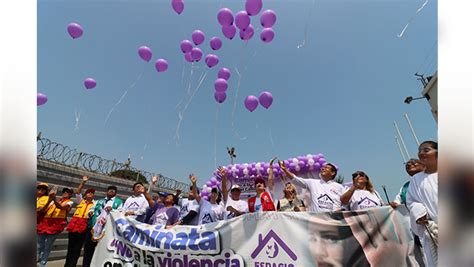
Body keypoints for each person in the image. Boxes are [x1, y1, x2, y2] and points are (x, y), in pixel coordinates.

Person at [406, 141, 438, 267]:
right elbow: (412, 201)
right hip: (433, 229)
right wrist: (419, 213)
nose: (421, 153)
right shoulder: (416, 179)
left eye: (426, 150)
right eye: (419, 151)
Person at [389, 159, 426, 267]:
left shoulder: (433, 178)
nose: (410, 165)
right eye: (407, 166)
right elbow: (397, 201)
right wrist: (393, 203)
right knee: (424, 252)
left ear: (423, 166)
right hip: (417, 226)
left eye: (414, 163)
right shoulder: (405, 187)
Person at [279, 161, 345, 212]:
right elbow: (295, 179)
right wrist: (285, 170)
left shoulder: (339, 187)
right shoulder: (313, 182)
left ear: (333, 173)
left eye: (326, 168)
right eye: (323, 168)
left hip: (333, 221)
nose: (323, 169)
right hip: (316, 221)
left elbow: (346, 203)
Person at [82, 185, 123, 267]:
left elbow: (120, 213)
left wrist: (112, 210)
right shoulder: (99, 201)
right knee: (88, 249)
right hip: (94, 227)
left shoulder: (118, 202)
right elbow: (92, 209)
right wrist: (90, 212)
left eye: (113, 190)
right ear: (106, 191)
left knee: (101, 250)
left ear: (116, 193)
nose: (111, 191)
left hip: (106, 230)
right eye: (110, 190)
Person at [37, 187, 74, 267]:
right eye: (64, 191)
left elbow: (61, 207)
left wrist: (53, 199)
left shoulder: (70, 202)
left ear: (71, 195)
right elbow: (43, 210)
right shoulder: (54, 200)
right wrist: (49, 200)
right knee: (39, 245)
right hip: (45, 222)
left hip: (56, 224)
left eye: (68, 192)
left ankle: (42, 264)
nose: (65, 193)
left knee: (48, 246)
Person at [64, 176, 96, 267]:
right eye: (88, 192)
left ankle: (72, 264)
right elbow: (78, 191)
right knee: (70, 247)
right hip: (74, 224)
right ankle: (67, 265)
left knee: (77, 248)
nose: (90, 194)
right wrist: (83, 182)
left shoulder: (95, 203)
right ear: (85, 195)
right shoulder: (81, 201)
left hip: (84, 225)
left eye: (92, 193)